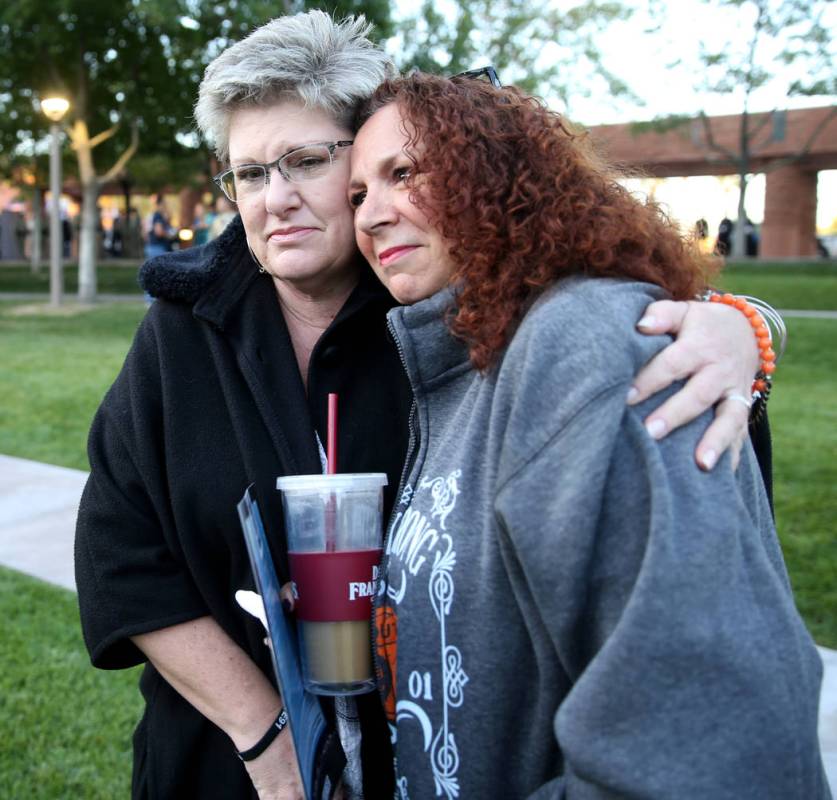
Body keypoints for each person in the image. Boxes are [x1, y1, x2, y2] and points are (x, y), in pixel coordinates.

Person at [74, 12, 773, 800]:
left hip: (414, 763)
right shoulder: (184, 329)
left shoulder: (448, 310)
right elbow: (120, 553)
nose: (276, 200)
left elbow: (592, 276)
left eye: (305, 161)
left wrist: (739, 324)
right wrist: (268, 742)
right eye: (247, 174)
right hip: (221, 767)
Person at [348, 72, 828, 799]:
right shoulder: (462, 368)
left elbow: (705, 741)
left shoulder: (583, 347)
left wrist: (754, 324)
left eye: (403, 173)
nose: (372, 215)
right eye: (357, 195)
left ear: (495, 173)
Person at [144, 192, 175, 259]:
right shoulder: (158, 215)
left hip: (154, 246)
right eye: (165, 204)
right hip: (158, 248)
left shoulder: (155, 215)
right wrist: (169, 235)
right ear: (161, 204)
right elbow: (159, 232)